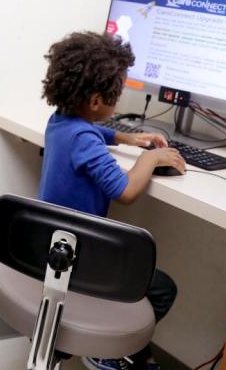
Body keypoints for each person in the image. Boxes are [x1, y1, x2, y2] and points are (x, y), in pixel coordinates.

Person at [39, 31, 182, 370]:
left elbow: (89, 133)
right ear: (95, 102)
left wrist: (123, 136)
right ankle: (109, 352)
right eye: (115, 95)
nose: (117, 102)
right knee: (162, 288)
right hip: (83, 258)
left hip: (52, 248)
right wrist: (150, 159)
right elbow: (126, 192)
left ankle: (116, 351)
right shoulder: (84, 140)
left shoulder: (59, 122)